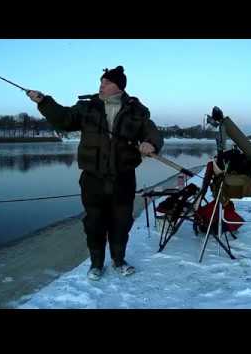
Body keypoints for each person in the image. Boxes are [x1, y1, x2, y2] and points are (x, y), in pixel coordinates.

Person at [27, 65, 164, 280]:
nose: (101, 85)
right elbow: (64, 119)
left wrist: (150, 144)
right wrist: (44, 102)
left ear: (118, 86)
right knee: (94, 223)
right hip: (93, 179)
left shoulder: (137, 110)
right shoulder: (87, 107)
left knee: (121, 222)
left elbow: (152, 132)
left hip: (123, 178)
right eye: (101, 81)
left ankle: (119, 261)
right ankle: (96, 264)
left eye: (107, 82)